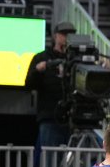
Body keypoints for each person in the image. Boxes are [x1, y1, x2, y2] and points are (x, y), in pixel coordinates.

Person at [25, 22, 76, 154]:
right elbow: (28, 84)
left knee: (72, 164)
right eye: (64, 34)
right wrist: (38, 70)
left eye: (70, 35)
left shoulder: (76, 60)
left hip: (73, 118)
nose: (67, 37)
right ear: (55, 36)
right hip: (49, 116)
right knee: (49, 163)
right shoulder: (42, 57)